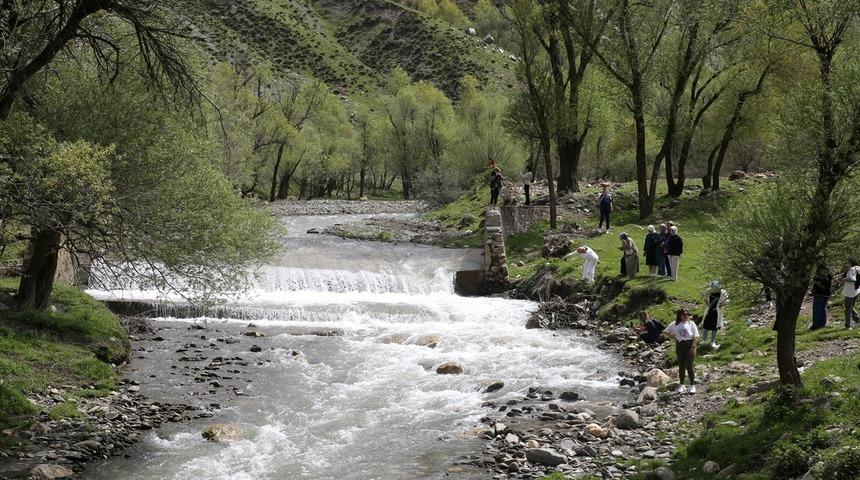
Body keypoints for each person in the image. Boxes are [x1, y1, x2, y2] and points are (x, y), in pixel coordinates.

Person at [664, 308, 699, 394]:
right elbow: (665, 331)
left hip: (689, 344)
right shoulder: (674, 324)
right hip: (680, 345)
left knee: (689, 365)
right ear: (680, 315)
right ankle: (682, 384)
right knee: (681, 365)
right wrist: (674, 337)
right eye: (684, 314)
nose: (686, 316)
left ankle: (692, 385)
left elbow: (695, 335)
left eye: (687, 314)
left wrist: (693, 346)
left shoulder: (691, 323)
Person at [701, 281, 728, 348]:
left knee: (715, 326)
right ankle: (704, 340)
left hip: (717, 311)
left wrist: (721, 305)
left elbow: (726, 300)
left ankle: (712, 342)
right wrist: (707, 303)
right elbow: (705, 297)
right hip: (709, 310)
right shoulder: (709, 291)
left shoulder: (723, 292)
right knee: (706, 325)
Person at [810, 262, 832, 331]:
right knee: (823, 309)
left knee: (817, 310)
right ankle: (822, 324)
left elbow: (816, 283)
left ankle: (815, 325)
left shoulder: (818, 274)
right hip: (826, 294)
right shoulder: (829, 274)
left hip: (818, 294)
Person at [843, 260, 860, 328]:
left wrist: (842, 280)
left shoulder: (852, 269)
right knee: (850, 306)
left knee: (848, 308)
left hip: (851, 291)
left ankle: (848, 325)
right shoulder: (858, 268)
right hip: (857, 290)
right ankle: (857, 318)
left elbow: (852, 279)